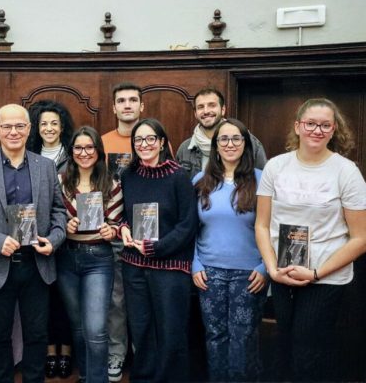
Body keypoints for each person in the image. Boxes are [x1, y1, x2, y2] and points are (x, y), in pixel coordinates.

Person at [255, 98, 366, 381]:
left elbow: (360, 238)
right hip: (283, 272)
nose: (317, 130)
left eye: (325, 125)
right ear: (298, 126)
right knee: (285, 344)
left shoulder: (346, 171)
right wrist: (271, 268)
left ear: (333, 130)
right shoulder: (275, 167)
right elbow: (262, 225)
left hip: (325, 277)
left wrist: (316, 272)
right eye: (311, 123)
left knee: (310, 350)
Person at [0, 104, 67, 383]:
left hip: (37, 264)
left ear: (29, 129)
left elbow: (58, 211)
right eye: (7, 126)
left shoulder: (46, 167)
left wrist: (54, 240)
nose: (14, 131)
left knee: (37, 334)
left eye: (20, 126)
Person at [119, 118, 198, 382]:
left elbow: (188, 225)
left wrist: (156, 248)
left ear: (162, 142)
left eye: (150, 138)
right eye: (138, 140)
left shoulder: (178, 177)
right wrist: (123, 229)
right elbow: (121, 215)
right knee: (141, 330)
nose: (144, 144)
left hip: (170, 269)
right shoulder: (128, 175)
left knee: (170, 332)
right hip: (134, 267)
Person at [192, 119, 268, 381]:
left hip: (248, 274)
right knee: (215, 335)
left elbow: (272, 228)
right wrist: (195, 264)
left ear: (245, 144)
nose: (229, 144)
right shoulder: (201, 180)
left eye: (236, 138)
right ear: (215, 146)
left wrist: (265, 267)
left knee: (243, 337)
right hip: (209, 272)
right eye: (223, 139)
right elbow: (192, 229)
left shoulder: (262, 180)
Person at [58, 126, 124, 382]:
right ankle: (85, 376)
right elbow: (52, 218)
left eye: (89, 147)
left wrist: (112, 230)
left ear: (98, 151)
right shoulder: (60, 182)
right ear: (71, 151)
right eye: (78, 148)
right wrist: (64, 226)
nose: (83, 153)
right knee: (77, 327)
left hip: (99, 259)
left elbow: (119, 224)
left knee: (96, 330)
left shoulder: (112, 183)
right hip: (66, 256)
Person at [28, 100, 75, 379]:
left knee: (64, 300)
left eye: (54, 123)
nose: (49, 128)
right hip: (36, 239)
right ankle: (48, 352)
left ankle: (66, 352)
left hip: (69, 239)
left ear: (62, 127)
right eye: (44, 123)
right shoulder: (29, 154)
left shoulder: (74, 154)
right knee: (42, 302)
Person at [100, 82, 144, 382]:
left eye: (133, 100)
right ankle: (116, 356)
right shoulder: (102, 142)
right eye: (121, 100)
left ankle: (143, 356)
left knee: (143, 301)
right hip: (112, 235)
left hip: (145, 238)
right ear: (114, 107)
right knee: (116, 302)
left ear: (142, 107)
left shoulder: (153, 139)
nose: (127, 105)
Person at [176, 87, 267, 179]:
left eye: (212, 105)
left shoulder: (250, 142)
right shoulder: (185, 148)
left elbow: (264, 183)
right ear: (195, 113)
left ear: (223, 110)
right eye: (200, 107)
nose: (206, 111)